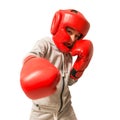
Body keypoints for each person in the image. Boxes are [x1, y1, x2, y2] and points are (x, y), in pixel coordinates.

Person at [20, 9, 93, 120]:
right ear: (58, 26)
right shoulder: (45, 44)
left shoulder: (68, 54)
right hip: (42, 110)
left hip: (65, 108)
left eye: (77, 36)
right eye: (70, 31)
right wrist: (32, 68)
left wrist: (79, 67)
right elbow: (31, 56)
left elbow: (68, 82)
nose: (73, 39)